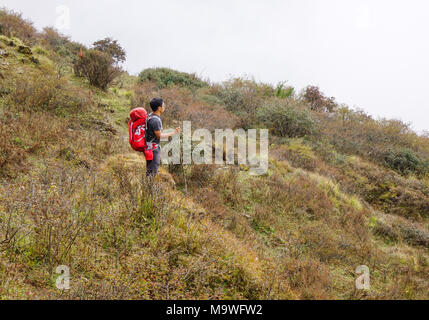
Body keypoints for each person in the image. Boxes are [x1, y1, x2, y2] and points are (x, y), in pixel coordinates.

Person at [145, 98, 181, 178]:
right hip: (153, 149)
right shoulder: (156, 120)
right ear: (159, 108)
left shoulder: (150, 115)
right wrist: (174, 133)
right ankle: (148, 188)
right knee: (153, 170)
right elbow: (159, 136)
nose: (164, 107)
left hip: (148, 147)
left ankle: (147, 186)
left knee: (150, 168)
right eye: (163, 105)